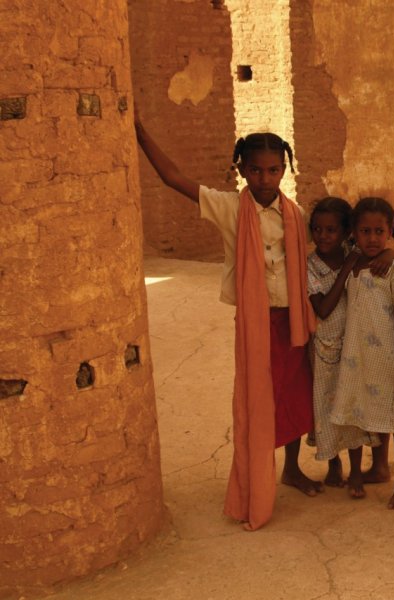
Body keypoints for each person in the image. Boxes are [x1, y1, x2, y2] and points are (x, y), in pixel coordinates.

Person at [135, 117, 318, 531]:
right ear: (241, 170)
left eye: (274, 169)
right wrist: (141, 133)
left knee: (294, 395)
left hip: (291, 319)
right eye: (255, 169)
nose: (265, 178)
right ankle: (257, 481)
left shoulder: (296, 214)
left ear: (285, 169)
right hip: (255, 322)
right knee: (257, 400)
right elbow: (172, 179)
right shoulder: (229, 207)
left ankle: (292, 469)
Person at [330, 198, 394, 506]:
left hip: (388, 358)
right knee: (357, 412)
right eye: (365, 231)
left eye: (379, 231)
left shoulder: (393, 268)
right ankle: (364, 470)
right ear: (353, 232)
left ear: (390, 230)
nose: (373, 238)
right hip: (356, 358)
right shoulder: (350, 263)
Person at [306, 197, 382, 492]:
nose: (323, 236)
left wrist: (373, 257)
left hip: (355, 347)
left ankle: (356, 472)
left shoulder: (357, 253)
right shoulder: (310, 266)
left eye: (331, 230)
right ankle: (333, 463)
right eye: (317, 229)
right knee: (327, 409)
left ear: (346, 231)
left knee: (353, 408)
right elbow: (323, 309)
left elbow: (382, 260)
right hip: (324, 350)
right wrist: (347, 267)